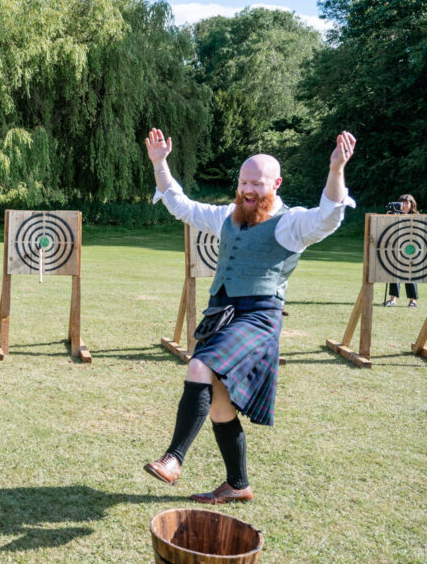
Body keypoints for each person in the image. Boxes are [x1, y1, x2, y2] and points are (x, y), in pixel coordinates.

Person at [142, 127, 356, 504]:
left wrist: (336, 171)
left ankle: (174, 459)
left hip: (259, 318)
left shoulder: (292, 223)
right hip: (222, 315)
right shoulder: (228, 214)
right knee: (220, 406)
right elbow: (181, 204)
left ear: (276, 183)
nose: (248, 190)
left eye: (257, 183)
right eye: (243, 182)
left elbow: (329, 218)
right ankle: (237, 484)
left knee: (198, 368)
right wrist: (160, 164)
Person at [383, 194, 419, 308]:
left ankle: (412, 301)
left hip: (410, 248)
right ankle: (392, 299)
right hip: (396, 247)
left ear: (411, 204)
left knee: (410, 275)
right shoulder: (394, 214)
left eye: (407, 203)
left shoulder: (416, 216)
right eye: (402, 203)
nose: (404, 205)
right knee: (394, 273)